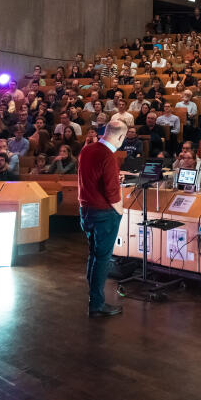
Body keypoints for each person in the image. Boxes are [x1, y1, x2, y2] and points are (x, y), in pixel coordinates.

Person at [78, 120, 128, 318]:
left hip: (86, 210)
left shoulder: (86, 150)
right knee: (102, 259)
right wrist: (120, 211)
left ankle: (94, 299)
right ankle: (97, 305)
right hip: (104, 213)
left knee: (94, 255)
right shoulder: (108, 156)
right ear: (120, 136)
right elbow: (112, 193)